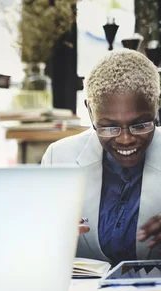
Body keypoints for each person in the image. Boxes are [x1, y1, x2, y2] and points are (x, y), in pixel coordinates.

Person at [41, 49, 161, 265]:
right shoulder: (58, 158)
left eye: (140, 124)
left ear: (156, 106)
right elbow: (38, 249)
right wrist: (45, 234)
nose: (125, 139)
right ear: (90, 112)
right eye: (109, 127)